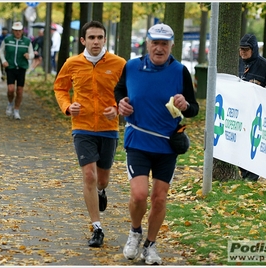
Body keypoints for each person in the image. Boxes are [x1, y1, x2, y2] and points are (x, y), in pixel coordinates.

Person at [114, 23, 199, 265]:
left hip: (167, 145)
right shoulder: (131, 66)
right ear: (147, 43)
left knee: (159, 198)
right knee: (140, 195)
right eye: (155, 43)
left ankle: (150, 245)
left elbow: (193, 108)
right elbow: (119, 90)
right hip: (138, 141)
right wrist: (121, 102)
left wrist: (185, 105)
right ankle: (134, 231)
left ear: (172, 45)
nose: (159, 48)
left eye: (164, 44)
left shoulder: (180, 71)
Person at [53, 21, 126, 248]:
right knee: (89, 176)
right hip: (82, 126)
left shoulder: (119, 64)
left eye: (100, 37)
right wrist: (67, 106)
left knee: (102, 179)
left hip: (108, 128)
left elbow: (128, 92)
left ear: (105, 39)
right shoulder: (72, 63)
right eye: (91, 37)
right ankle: (97, 227)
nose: (96, 42)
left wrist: (116, 108)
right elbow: (60, 87)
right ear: (83, 40)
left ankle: (102, 191)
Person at [238, 33, 266, 181]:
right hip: (239, 113)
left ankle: (252, 177)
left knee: (253, 144)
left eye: (246, 49)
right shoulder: (236, 63)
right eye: (241, 49)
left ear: (254, 49)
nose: (242, 52)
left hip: (258, 115)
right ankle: (243, 173)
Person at [0, 21, 34, 120]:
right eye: (16, 31)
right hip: (10, 67)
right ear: (13, 31)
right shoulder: (7, 40)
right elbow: (1, 51)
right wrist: (3, 60)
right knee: (10, 90)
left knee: (19, 91)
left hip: (21, 68)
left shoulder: (27, 41)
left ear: (22, 31)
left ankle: (16, 110)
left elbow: (32, 54)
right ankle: (10, 103)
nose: (18, 32)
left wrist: (29, 56)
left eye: (19, 30)